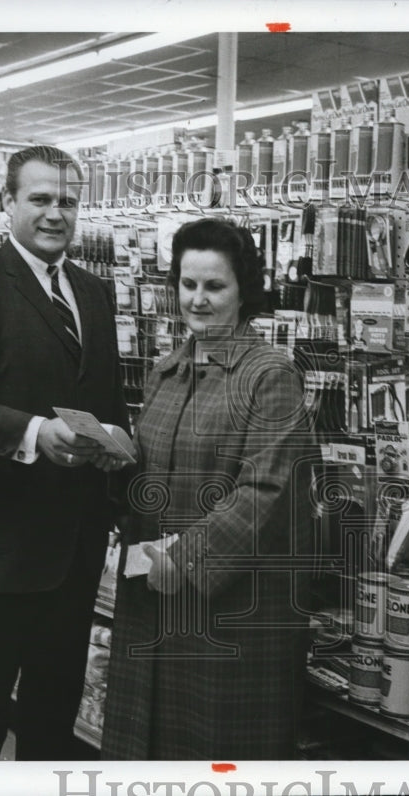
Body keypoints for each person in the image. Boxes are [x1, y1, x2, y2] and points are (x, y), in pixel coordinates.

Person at [0, 145, 132, 761]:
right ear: (6, 202)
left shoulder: (94, 292)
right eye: (39, 199)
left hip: (75, 546)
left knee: (52, 712)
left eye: (67, 201)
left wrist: (117, 446)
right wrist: (37, 433)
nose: (55, 213)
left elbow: (105, 393)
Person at [100, 217, 316, 760]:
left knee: (215, 759)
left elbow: (265, 490)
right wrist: (111, 459)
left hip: (230, 610)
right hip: (154, 595)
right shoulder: (165, 371)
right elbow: (150, 478)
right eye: (188, 284)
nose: (198, 299)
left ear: (244, 289)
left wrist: (188, 557)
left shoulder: (270, 376)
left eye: (214, 286)